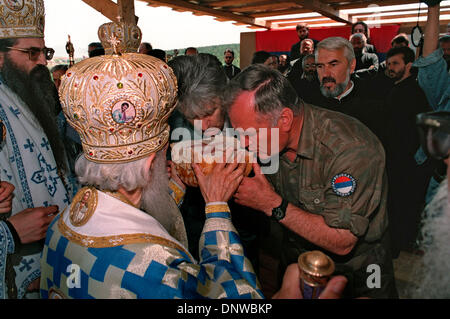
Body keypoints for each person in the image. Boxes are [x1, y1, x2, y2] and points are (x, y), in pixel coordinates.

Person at [39, 24, 263, 299]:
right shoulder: (154, 266)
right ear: (149, 165)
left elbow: (135, 208)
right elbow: (236, 298)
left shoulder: (61, 224)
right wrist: (216, 210)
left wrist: (177, 188)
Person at [225, 64, 398, 299]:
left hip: (360, 271)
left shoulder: (351, 149)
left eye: (249, 133)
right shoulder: (271, 139)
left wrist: (271, 204)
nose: (244, 143)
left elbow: (342, 240)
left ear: (284, 119)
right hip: (296, 260)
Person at [0, 0, 73, 299]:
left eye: (45, 52)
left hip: (52, 262)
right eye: (32, 53)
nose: (43, 61)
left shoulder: (30, 96)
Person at [168, 53, 261, 272]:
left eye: (210, 113)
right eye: (192, 116)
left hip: (244, 215)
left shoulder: (250, 110)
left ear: (226, 95)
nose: (202, 125)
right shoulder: (174, 122)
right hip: (195, 216)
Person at [383, 46, 434, 258]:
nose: (391, 68)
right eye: (389, 64)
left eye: (396, 63)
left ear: (409, 66)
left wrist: (416, 156)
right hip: (394, 158)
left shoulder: (415, 91)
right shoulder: (392, 88)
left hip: (409, 161)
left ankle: (400, 244)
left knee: (404, 204)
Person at [310, 37, 386, 143]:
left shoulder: (373, 105)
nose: (325, 74)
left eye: (333, 65)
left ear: (351, 66)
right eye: (320, 66)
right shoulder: (310, 104)